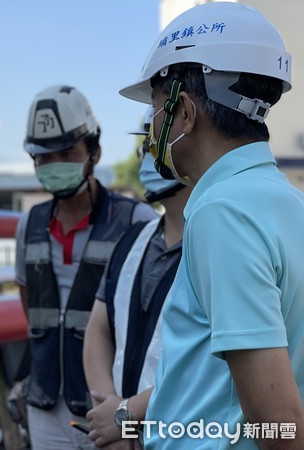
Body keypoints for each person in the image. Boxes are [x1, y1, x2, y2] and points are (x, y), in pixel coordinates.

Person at [117, 2, 304, 448]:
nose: (152, 128)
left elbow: (277, 422)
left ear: (183, 110)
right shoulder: (287, 201)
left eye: (156, 108)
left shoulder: (222, 213)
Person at [15, 85, 157, 449]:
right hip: (45, 402)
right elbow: (28, 303)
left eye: (66, 153)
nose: (53, 165)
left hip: (114, 405)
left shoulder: (135, 220)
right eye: (43, 157)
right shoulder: (28, 225)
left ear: (94, 151)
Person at [83, 140, 190, 449]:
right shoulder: (132, 240)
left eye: (157, 146)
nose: (145, 158)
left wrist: (123, 416)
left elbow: (209, 366)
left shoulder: (216, 245)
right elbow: (99, 330)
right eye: (145, 148)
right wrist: (110, 419)